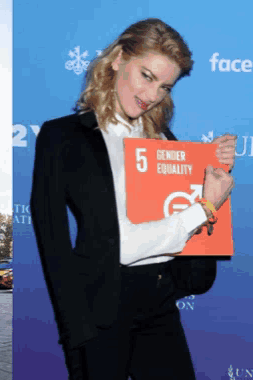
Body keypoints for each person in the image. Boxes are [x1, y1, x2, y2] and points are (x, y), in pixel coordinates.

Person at [29, 18, 236, 380]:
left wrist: (210, 168)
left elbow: (189, 222)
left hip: (160, 301)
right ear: (118, 59)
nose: (153, 94)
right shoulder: (62, 136)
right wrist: (75, 336)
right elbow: (58, 246)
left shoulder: (163, 138)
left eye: (165, 86)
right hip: (100, 312)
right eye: (146, 75)